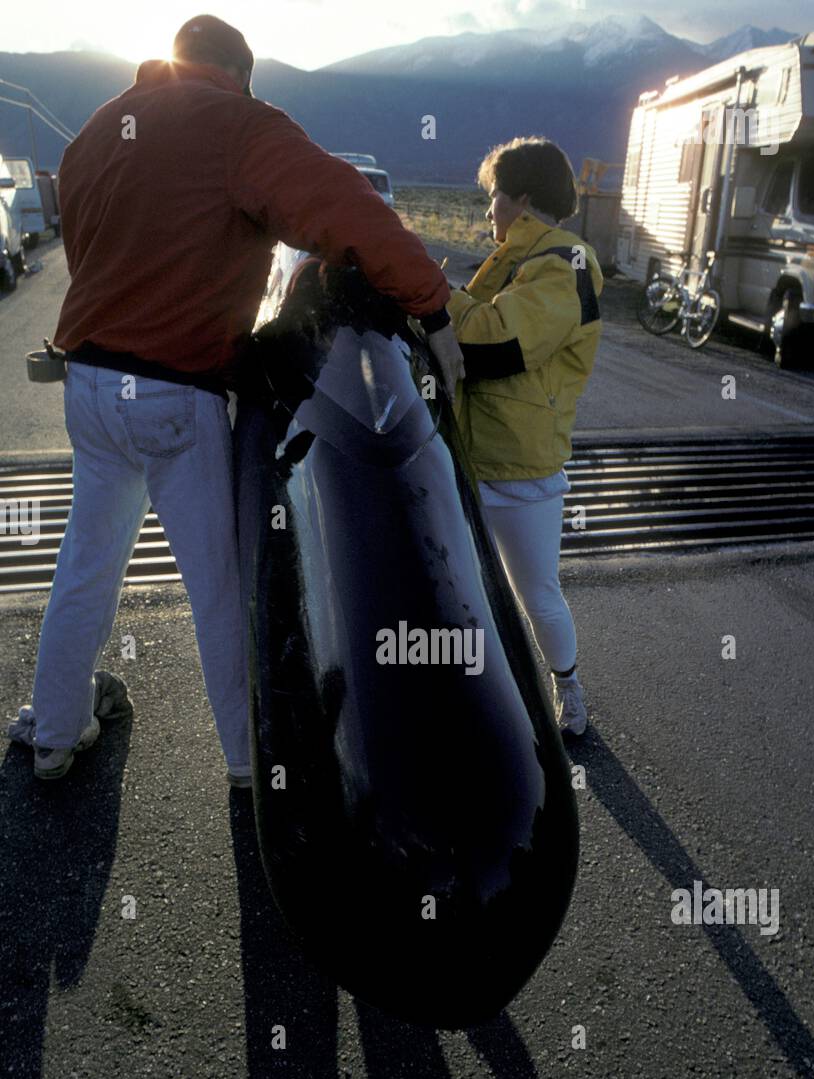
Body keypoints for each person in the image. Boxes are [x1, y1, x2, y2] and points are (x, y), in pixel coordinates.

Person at [6, 14, 464, 785]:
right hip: (173, 394)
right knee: (220, 585)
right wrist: (434, 306)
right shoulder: (240, 123)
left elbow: (85, 248)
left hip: (87, 382)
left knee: (87, 561)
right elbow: (342, 209)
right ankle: (254, 765)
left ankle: (55, 730)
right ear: (241, 72)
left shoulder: (97, 130)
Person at [446, 137, 602, 736]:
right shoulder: (519, 256)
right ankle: (485, 704)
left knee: (536, 593)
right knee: (469, 594)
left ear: (525, 200)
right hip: (469, 459)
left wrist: (435, 299)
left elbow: (495, 343)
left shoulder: (568, 264)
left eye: (495, 198)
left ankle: (568, 687)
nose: (489, 211)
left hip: (522, 470)